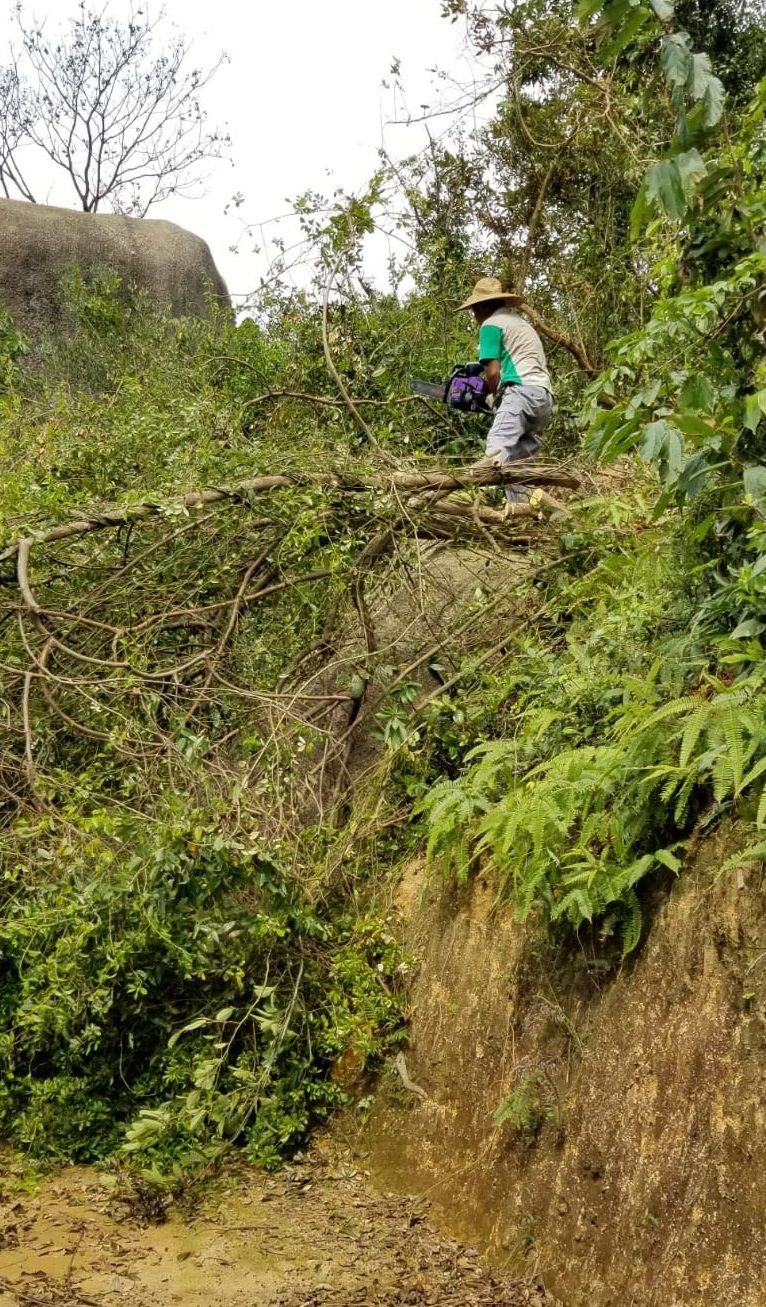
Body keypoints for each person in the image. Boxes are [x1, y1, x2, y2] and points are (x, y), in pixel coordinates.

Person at [458, 276, 553, 503]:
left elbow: (492, 372)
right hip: (544, 397)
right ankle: (521, 516)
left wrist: (492, 395)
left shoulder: (490, 325)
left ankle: (468, 499)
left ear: (482, 307)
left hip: (519, 394)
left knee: (496, 452)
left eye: (474, 310)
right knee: (518, 469)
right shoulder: (520, 323)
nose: (474, 316)